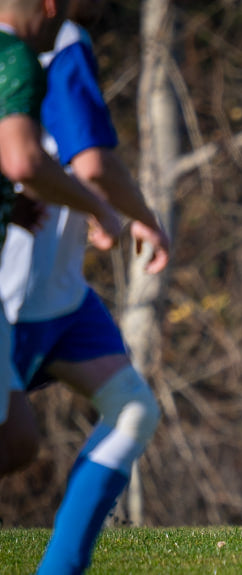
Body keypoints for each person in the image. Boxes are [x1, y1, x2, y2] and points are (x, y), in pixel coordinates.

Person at [0, 1, 169, 572]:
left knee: (130, 408)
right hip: (22, 289)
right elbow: (91, 163)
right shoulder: (58, 40)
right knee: (14, 443)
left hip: (59, 292)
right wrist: (127, 212)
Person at [0, 0, 122, 465]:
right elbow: (38, 161)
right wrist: (106, 210)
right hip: (28, 289)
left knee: (16, 441)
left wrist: (11, 206)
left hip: (47, 287)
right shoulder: (32, 52)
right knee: (15, 441)